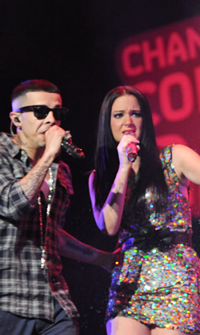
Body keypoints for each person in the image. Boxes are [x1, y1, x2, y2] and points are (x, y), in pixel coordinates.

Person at [88, 86, 200, 335]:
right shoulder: (101, 177)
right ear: (107, 122)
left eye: (136, 114)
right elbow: (109, 225)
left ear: (146, 121)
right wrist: (123, 168)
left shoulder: (174, 156)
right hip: (130, 278)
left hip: (175, 276)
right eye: (119, 115)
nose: (128, 122)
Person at [0, 79, 116, 335]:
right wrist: (49, 155)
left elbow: (50, 233)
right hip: (7, 300)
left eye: (58, 112)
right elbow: (11, 204)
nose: (52, 119)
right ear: (16, 119)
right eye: (41, 112)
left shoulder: (60, 171)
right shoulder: (2, 153)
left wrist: (102, 258)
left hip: (54, 302)